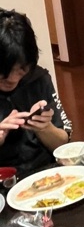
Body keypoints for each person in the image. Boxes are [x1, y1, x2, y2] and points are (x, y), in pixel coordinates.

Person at [0, 9, 72, 176]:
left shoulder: (38, 79)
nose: (13, 79)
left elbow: (63, 146)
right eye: (4, 71)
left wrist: (44, 128)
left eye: (21, 69)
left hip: (46, 173)